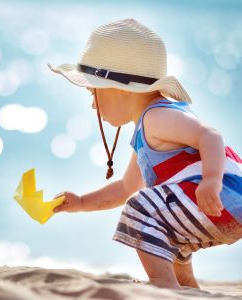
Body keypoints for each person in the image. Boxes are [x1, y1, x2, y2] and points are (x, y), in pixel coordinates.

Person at [47, 18, 242, 290]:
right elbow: (126, 187)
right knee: (164, 229)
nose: (92, 104)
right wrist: (81, 202)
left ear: (120, 89)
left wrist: (211, 180)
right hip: (220, 207)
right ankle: (186, 286)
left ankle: (162, 283)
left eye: (94, 92)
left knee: (141, 208)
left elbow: (210, 135)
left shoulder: (157, 117)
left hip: (223, 196)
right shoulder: (148, 131)